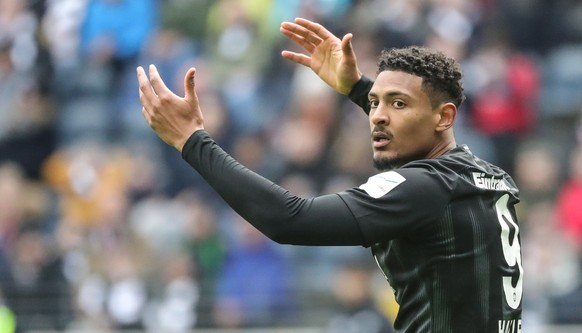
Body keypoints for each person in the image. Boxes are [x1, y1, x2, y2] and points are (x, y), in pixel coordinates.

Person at [136, 17, 523, 333]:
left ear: (445, 117)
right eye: (374, 104)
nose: (378, 116)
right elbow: (411, 124)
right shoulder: (486, 175)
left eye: (397, 103)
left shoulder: (423, 186)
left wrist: (193, 142)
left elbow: (290, 219)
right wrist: (357, 87)